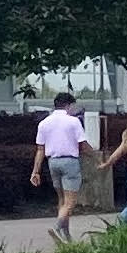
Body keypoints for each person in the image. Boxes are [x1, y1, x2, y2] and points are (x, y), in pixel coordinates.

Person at [30, 93, 91, 240]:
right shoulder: (73, 122)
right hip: (70, 162)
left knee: (62, 200)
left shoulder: (44, 123)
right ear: (68, 105)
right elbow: (82, 144)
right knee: (70, 202)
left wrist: (35, 171)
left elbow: (40, 150)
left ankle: (66, 234)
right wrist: (96, 157)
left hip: (53, 162)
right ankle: (57, 227)